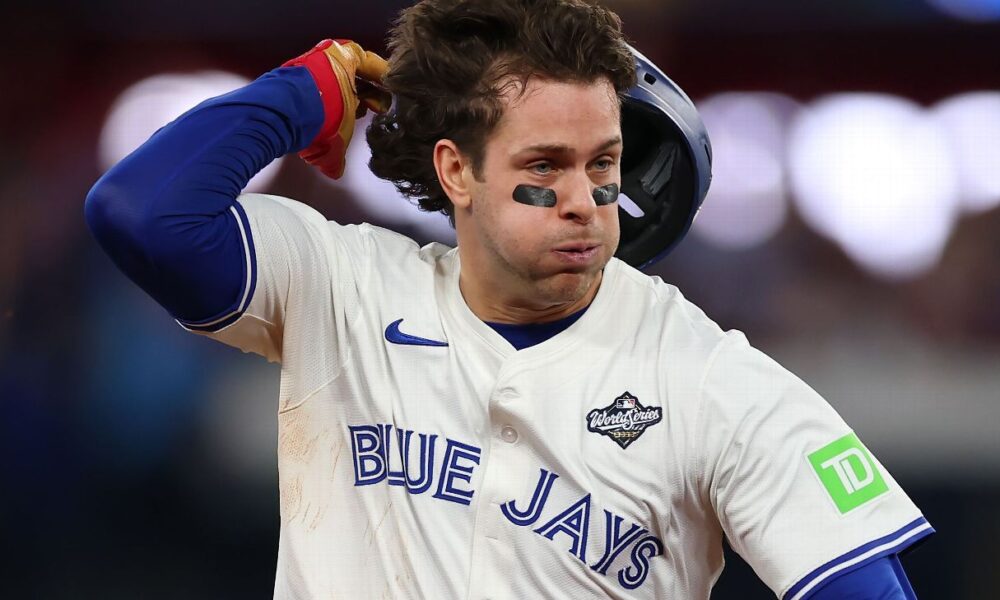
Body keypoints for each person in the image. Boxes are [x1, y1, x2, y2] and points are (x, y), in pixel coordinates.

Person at [85, 1, 933, 598]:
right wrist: (302, 94)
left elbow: (863, 584)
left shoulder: (709, 376)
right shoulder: (341, 287)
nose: (584, 200)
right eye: (545, 167)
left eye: (603, 164)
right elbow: (142, 212)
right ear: (457, 170)